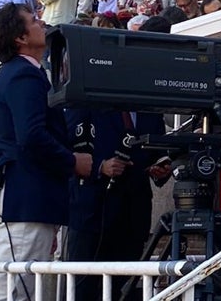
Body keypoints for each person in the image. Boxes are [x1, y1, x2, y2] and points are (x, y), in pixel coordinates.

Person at [0, 4, 92, 301]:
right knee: (12, 289)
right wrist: (72, 161)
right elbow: (32, 136)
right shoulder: (24, 75)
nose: (41, 22)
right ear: (20, 38)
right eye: (33, 20)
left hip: (30, 197)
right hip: (29, 198)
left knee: (16, 286)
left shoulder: (18, 73)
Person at [64, 104, 168, 301]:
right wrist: (100, 166)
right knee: (85, 287)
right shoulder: (86, 102)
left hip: (133, 214)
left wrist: (161, 169)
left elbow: (158, 151)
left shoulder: (150, 109)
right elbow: (64, 151)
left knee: (123, 288)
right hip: (92, 213)